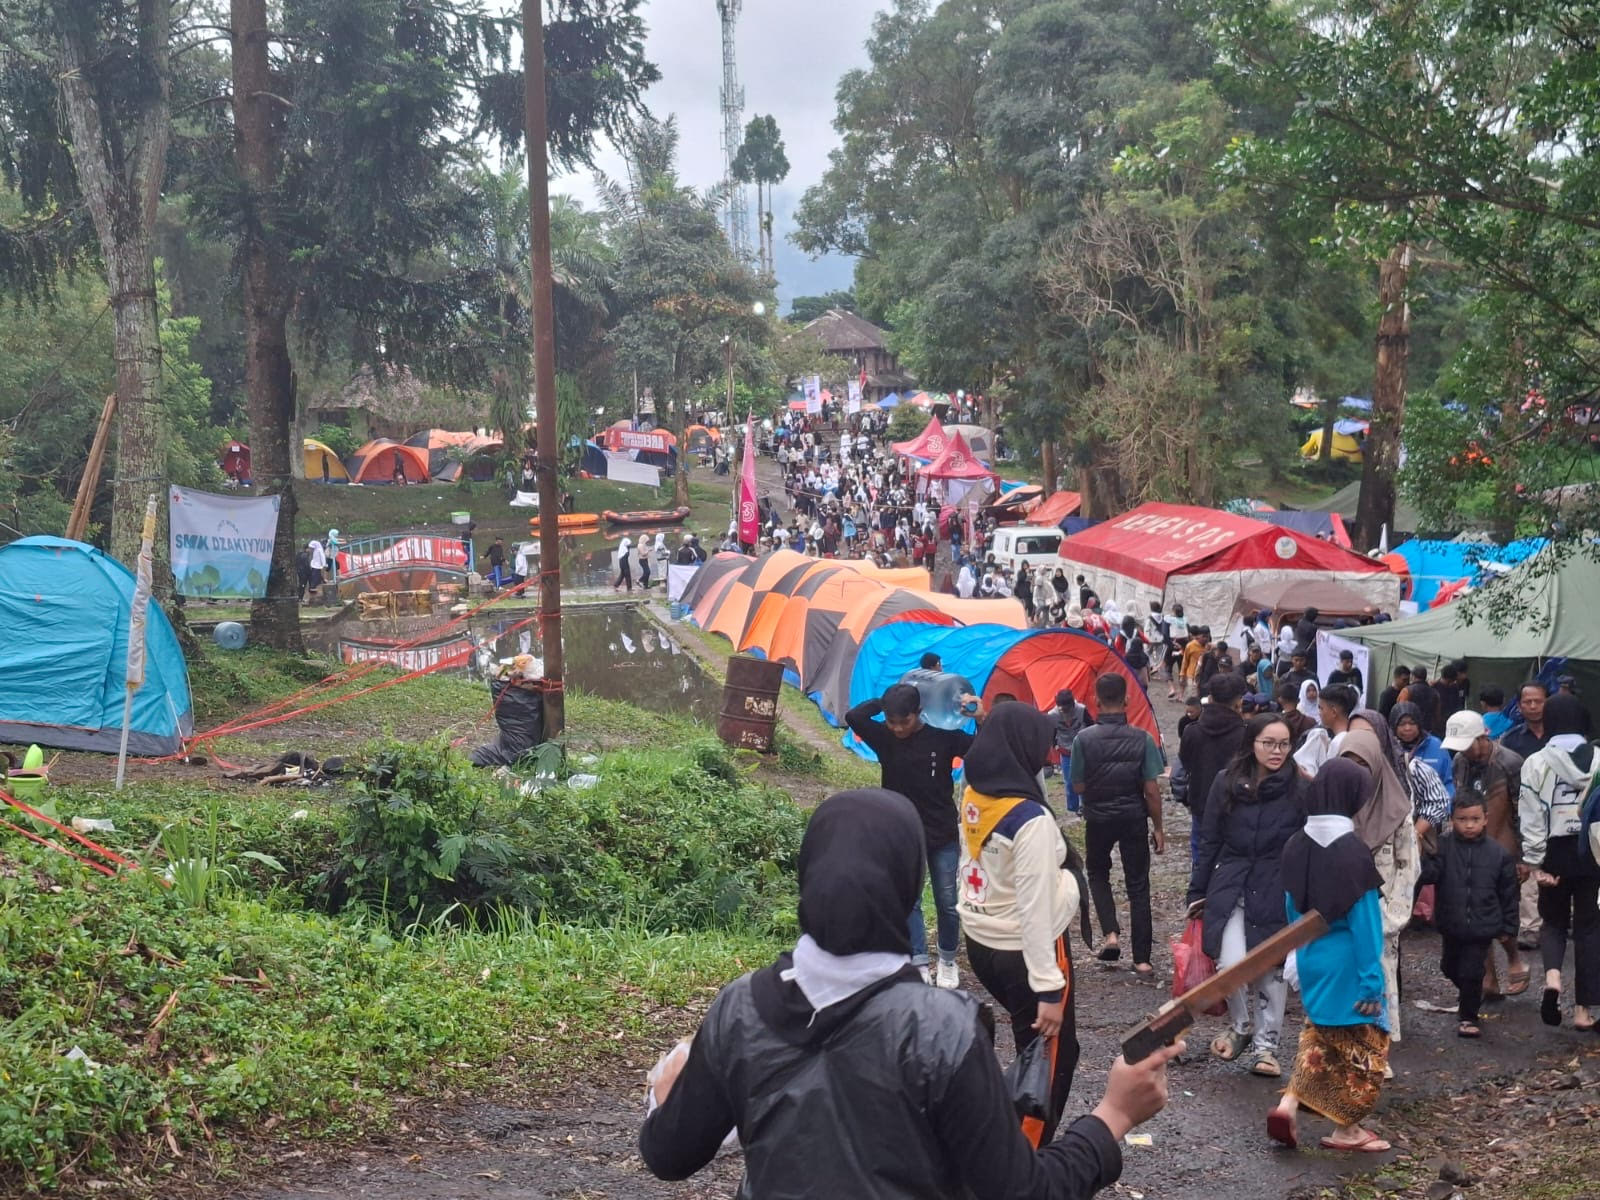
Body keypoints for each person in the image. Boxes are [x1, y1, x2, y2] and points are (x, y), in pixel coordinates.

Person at [639, 790, 1186, 1198]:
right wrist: (1114, 1115)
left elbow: (668, 1153)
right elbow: (1022, 1192)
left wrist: (668, 1094)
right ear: (910, 884)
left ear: (806, 876)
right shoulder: (941, 1028)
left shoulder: (738, 1010)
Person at [958, 705, 1086, 1146]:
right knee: (1051, 1059)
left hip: (982, 941)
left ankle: (1004, 1138)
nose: (1048, 751)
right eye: (1042, 743)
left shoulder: (975, 793)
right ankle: (1024, 1165)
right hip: (1025, 949)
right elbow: (1034, 908)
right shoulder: (1029, 819)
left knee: (1029, 1043)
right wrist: (1048, 988)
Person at [1269, 759, 1392, 1154]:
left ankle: (1288, 1104)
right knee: (1364, 1053)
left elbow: (1291, 910)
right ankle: (1348, 1130)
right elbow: (1366, 924)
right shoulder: (1353, 852)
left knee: (1319, 1039)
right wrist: (1372, 979)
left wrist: (1295, 957)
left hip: (1311, 959)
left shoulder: (1295, 844)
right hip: (1350, 966)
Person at [1188, 712, 1304, 1077]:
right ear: (1251, 743)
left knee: (1271, 967)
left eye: (1283, 744)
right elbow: (1210, 840)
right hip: (1232, 880)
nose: (1276, 751)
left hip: (1277, 884)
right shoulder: (1226, 782)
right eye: (1268, 743)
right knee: (1231, 962)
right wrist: (1198, 889)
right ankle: (1240, 1027)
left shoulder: (1299, 787)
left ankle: (1267, 1048)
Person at [847, 683, 980, 989]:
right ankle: (919, 962)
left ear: (919, 713)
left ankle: (947, 960)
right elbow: (854, 716)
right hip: (902, 833)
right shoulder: (884, 738)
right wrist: (885, 702)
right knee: (910, 901)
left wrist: (980, 716)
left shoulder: (943, 738)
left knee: (947, 901)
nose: (896, 729)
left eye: (903, 722)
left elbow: (981, 747)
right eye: (892, 723)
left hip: (942, 833)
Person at [1072, 673, 1166, 974]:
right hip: (1133, 818)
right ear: (1127, 700)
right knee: (1138, 884)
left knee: (1098, 873)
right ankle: (1142, 959)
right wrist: (1159, 827)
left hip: (1098, 819)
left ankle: (1111, 933)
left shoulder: (1082, 740)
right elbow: (1151, 790)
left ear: (1096, 701)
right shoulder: (1143, 739)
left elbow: (1077, 787)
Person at [1517, 693, 1600, 1029]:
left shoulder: (1536, 762)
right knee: (1589, 928)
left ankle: (1552, 980)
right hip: (1593, 851)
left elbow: (1531, 815)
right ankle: (1584, 1011)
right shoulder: (1597, 758)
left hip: (1553, 851)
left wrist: (1535, 861)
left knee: (1552, 922)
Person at [1337, 726, 1420, 1047]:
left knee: (1380, 979)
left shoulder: (1396, 810)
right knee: (1344, 979)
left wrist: (1392, 917)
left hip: (1382, 910)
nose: (1357, 771)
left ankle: (1377, 1047)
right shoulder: (1335, 804)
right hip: (1340, 909)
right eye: (1349, 762)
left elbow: (1408, 865)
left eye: (1364, 762)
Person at [1418, 797, 1520, 1037]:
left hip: (1483, 925)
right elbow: (1429, 876)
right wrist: (1423, 853)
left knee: (1472, 971)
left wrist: (1509, 927)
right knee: (1449, 966)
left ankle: (1468, 1017)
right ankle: (1469, 994)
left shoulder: (1498, 854)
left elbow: (1509, 894)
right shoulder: (1443, 846)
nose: (1469, 825)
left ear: (1486, 819)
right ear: (1452, 820)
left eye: (1475, 819)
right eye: (1462, 819)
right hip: (1451, 922)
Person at [1180, 674, 1248, 864]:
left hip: (1200, 801)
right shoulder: (1246, 734)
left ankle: (1200, 890)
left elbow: (1185, 764)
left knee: (1201, 854)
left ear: (1210, 698)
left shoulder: (1191, 731)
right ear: (1238, 701)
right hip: (1236, 804)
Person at [1389, 701, 1455, 801]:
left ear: (1419, 724)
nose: (1407, 728)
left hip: (1434, 808)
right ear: (1394, 726)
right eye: (1402, 724)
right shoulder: (1388, 748)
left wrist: (1446, 808)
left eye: (1412, 723)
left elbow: (1448, 782)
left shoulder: (1436, 745)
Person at [1049, 688, 1093, 816]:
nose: (1065, 712)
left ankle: (1085, 805)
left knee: (1085, 778)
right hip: (1066, 750)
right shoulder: (1052, 715)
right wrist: (1056, 745)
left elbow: (1091, 726)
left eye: (1067, 709)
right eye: (1062, 709)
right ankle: (1074, 808)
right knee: (1069, 781)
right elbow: (1051, 733)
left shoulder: (1081, 710)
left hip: (1083, 748)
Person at [1502, 681, 1550, 760]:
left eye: (1538, 701)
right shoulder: (1509, 740)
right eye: (1527, 702)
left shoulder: (1560, 735)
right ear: (1519, 706)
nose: (1533, 706)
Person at [1114, 616, 1150, 685]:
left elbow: (1116, 647)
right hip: (1139, 656)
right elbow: (1146, 640)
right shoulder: (1137, 632)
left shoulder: (1120, 635)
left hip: (1125, 657)